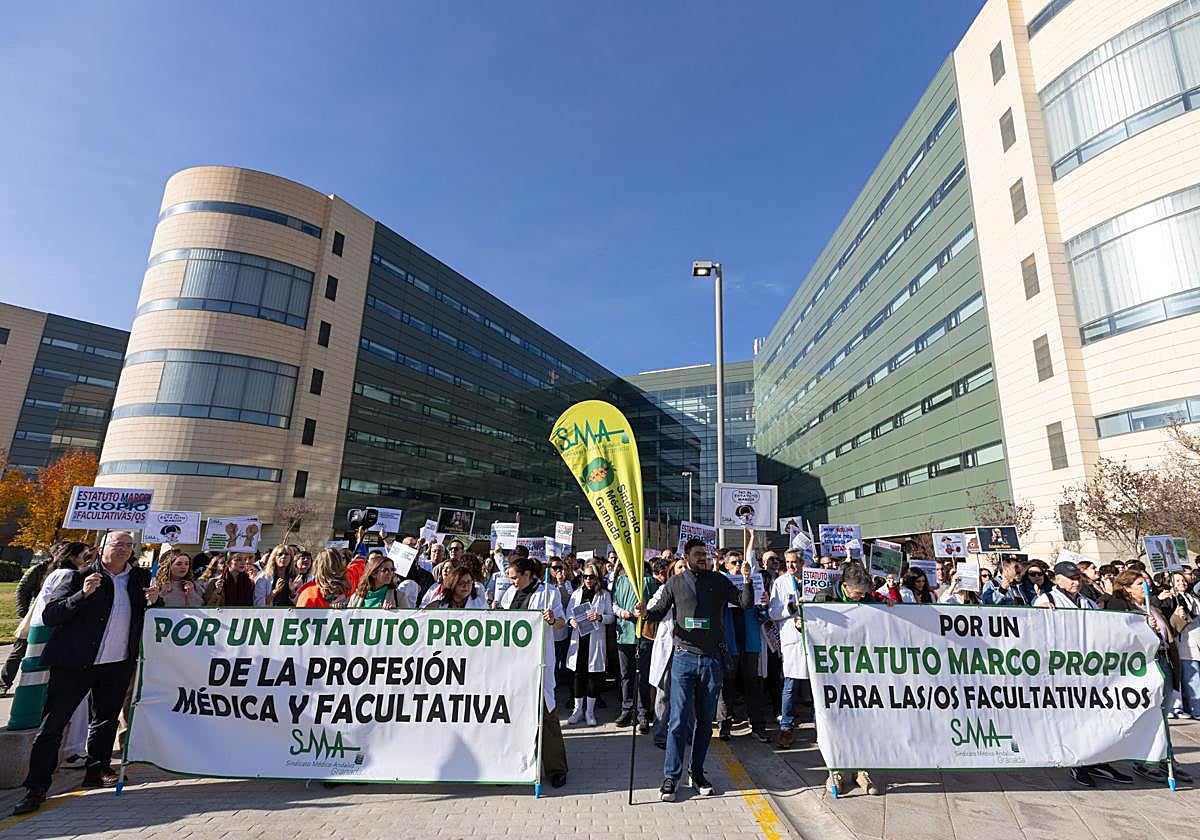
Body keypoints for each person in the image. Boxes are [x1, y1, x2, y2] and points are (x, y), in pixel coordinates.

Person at [13, 531, 159, 815]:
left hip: (117, 662)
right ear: (102, 547)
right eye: (118, 545)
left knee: (105, 720)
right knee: (53, 725)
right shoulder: (78, 577)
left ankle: (98, 769)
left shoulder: (139, 579)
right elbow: (51, 615)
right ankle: (37, 786)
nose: (124, 550)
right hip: (75, 662)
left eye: (129, 546)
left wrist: (155, 601)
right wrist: (83, 595)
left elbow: (146, 616)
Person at [637, 538, 755, 802]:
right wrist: (644, 612)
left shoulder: (719, 581)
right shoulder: (675, 583)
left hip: (711, 660)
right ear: (686, 556)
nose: (703, 557)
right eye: (697, 554)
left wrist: (747, 578)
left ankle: (698, 772)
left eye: (705, 554)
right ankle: (671, 776)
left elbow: (745, 603)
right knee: (678, 720)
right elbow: (657, 612)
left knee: (704, 722)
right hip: (683, 659)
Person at [1033, 561, 1134, 788]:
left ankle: (1099, 760)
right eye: (1070, 578)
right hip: (1064, 670)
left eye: (1078, 578)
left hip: (1090, 670)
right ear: (1057, 579)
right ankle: (1078, 763)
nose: (1075, 582)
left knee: (1096, 717)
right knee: (1073, 719)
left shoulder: (1087, 602)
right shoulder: (1046, 601)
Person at [13, 543, 95, 769]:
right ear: (77, 557)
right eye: (86, 556)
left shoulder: (55, 574)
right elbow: (57, 608)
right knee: (71, 697)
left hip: (45, 637)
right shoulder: (69, 576)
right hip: (55, 638)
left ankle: (69, 748)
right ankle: (72, 750)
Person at [1104, 569, 1189, 783]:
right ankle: (1145, 761)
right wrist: (1143, 627)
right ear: (1126, 588)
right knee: (1149, 714)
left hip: (1163, 662)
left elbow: (1167, 633)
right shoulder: (1121, 606)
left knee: (1163, 713)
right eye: (1139, 583)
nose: (1146, 587)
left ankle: (1165, 759)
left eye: (1146, 582)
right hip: (1142, 666)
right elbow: (1120, 635)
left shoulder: (1152, 606)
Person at [812, 562, 890, 796]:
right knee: (833, 719)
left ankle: (860, 769)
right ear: (845, 587)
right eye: (857, 594)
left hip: (861, 669)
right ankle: (835, 769)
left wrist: (889, 607)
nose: (861, 598)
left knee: (863, 718)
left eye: (864, 595)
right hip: (832, 672)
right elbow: (808, 623)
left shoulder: (867, 599)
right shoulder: (823, 598)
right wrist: (800, 621)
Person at [497, 556, 569, 788]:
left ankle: (556, 768)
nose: (512, 582)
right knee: (512, 714)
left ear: (528, 575)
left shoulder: (549, 593)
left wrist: (552, 620)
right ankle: (513, 765)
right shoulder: (508, 594)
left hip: (538, 661)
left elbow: (562, 623)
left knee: (546, 713)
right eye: (510, 578)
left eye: (515, 577)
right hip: (513, 663)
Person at [769, 549, 811, 749]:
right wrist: (791, 609)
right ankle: (786, 727)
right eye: (787, 562)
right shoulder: (780, 582)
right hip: (792, 639)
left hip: (813, 638)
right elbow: (773, 612)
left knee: (816, 686)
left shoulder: (813, 579)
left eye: (794, 562)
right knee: (791, 684)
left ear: (802, 562)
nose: (791, 566)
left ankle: (821, 726)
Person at [565, 563, 615, 726]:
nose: (588, 580)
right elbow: (568, 612)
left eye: (591, 577)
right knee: (579, 675)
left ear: (597, 578)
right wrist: (570, 620)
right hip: (579, 639)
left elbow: (611, 617)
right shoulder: (577, 593)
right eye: (585, 577)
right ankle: (577, 710)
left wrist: (600, 617)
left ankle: (589, 711)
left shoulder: (604, 595)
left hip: (595, 639)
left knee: (594, 676)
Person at [612, 556, 658, 731]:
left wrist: (644, 610)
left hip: (643, 635)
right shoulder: (620, 581)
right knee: (626, 675)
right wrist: (621, 612)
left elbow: (655, 603)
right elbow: (614, 603)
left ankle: (643, 713)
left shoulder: (649, 581)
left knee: (643, 675)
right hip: (624, 634)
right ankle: (626, 708)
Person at [1167, 570, 1200, 719]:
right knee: (1192, 679)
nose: (1182, 583)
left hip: (1197, 639)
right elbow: (1173, 625)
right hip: (1185, 644)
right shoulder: (1173, 599)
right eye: (1178, 581)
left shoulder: (1192, 597)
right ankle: (1196, 709)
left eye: (1183, 580)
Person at [549, 559, 574, 697]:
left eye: (561, 568)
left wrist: (561, 583)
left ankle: (561, 679)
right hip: (550, 629)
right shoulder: (546, 584)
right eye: (555, 568)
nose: (558, 570)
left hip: (562, 627)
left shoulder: (568, 584)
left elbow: (567, 601)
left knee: (562, 655)